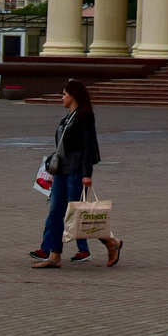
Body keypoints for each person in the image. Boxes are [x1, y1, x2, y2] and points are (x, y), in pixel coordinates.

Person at [32, 79, 121, 268]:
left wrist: (87, 174)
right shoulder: (68, 117)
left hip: (75, 171)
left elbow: (87, 146)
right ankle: (54, 256)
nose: (62, 98)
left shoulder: (84, 116)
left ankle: (111, 243)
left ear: (73, 95)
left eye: (64, 94)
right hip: (62, 171)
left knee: (77, 215)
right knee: (55, 212)